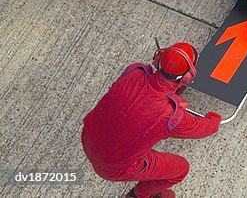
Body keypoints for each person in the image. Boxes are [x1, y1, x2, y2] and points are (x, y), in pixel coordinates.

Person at [82, 42, 221, 198]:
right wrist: (214, 118)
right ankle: (139, 195)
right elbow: (204, 128)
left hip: (88, 139)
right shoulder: (170, 115)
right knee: (180, 169)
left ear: (158, 58)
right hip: (112, 167)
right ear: (188, 76)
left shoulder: (134, 71)